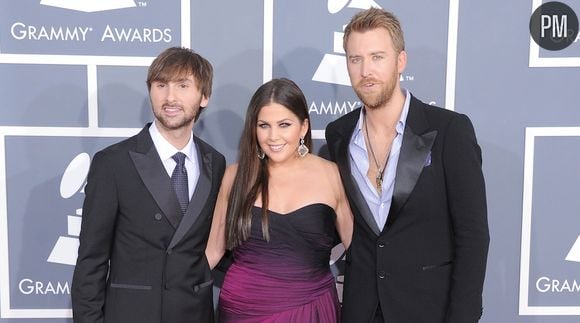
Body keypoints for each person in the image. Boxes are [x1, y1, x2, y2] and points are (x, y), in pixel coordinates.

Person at [325, 8, 490, 323]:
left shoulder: (449, 131)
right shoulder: (338, 135)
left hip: (430, 310)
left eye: (377, 57)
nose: (365, 71)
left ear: (400, 61)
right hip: (362, 309)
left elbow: (473, 236)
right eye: (355, 59)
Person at [71, 47, 226, 323]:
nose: (170, 97)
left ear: (204, 97)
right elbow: (90, 262)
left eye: (183, 85)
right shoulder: (113, 163)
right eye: (161, 85)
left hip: (195, 314)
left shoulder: (215, 162)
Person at [205, 78, 353, 322]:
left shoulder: (332, 175)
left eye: (284, 124)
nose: (273, 136)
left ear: (303, 127)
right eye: (264, 125)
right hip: (242, 311)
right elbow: (213, 252)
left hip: (312, 310)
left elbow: (357, 251)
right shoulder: (235, 176)